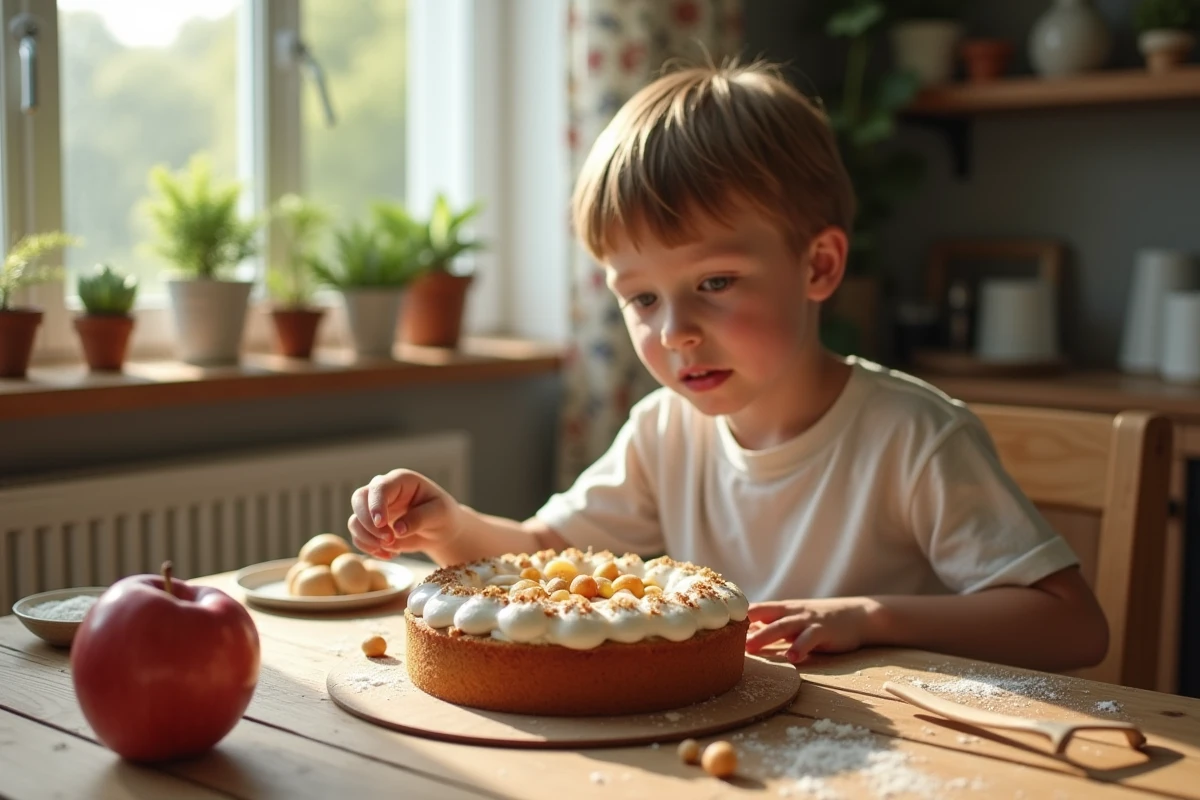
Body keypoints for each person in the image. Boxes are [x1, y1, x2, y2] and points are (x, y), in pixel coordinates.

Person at [348, 59, 1109, 671]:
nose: (676, 332)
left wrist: (872, 618)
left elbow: (1072, 626)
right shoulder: (664, 432)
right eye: (642, 298)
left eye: (715, 283)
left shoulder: (915, 436)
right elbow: (543, 557)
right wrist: (449, 527)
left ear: (818, 265)